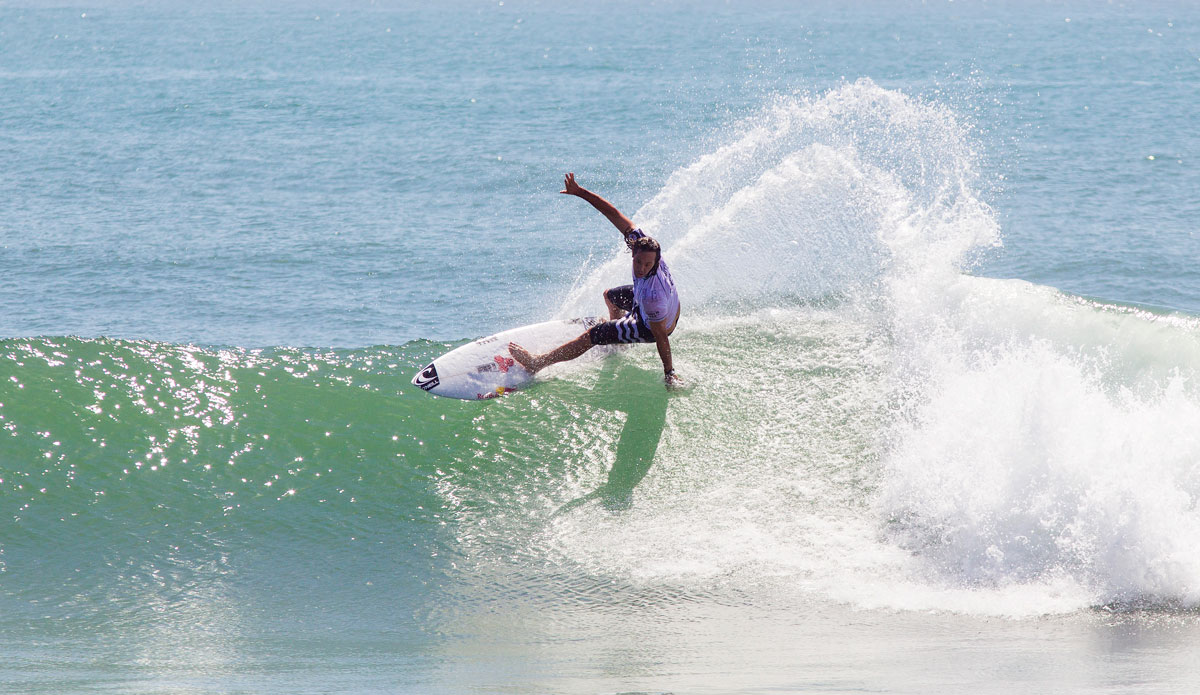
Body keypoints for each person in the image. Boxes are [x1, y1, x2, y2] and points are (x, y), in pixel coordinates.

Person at [509, 173, 683, 388]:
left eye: (648, 265)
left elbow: (661, 337)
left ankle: (537, 363)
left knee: (593, 335)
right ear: (632, 251)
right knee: (611, 296)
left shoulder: (651, 297)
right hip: (668, 308)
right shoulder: (645, 246)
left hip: (655, 325)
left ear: (656, 261)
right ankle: (618, 342)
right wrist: (580, 192)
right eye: (639, 262)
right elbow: (613, 213)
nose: (642, 268)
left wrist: (669, 373)